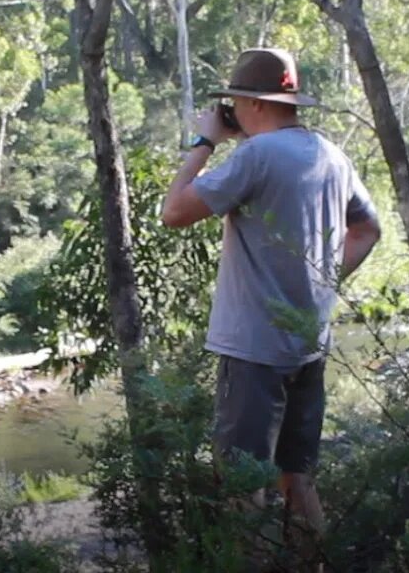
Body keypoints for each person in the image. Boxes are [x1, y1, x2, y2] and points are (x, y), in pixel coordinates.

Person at [160, 48, 381, 535]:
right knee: (297, 482)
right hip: (308, 346)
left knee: (244, 489)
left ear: (254, 104)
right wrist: (322, 283)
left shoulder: (255, 156)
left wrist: (203, 141)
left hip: (253, 352)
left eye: (236, 102)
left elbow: (173, 212)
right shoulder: (330, 153)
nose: (233, 112)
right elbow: (367, 230)